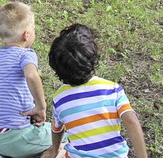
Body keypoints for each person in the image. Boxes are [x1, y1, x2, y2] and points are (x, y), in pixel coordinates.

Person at [44, 24, 148, 158]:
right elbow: (131, 121)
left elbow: (57, 130)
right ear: (93, 59)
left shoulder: (59, 99)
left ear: (56, 69)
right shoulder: (113, 90)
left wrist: (54, 150)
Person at [0, 2, 52, 158]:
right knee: (64, 134)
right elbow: (31, 75)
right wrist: (40, 106)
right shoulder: (25, 54)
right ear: (26, 35)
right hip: (17, 137)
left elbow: (9, 96)